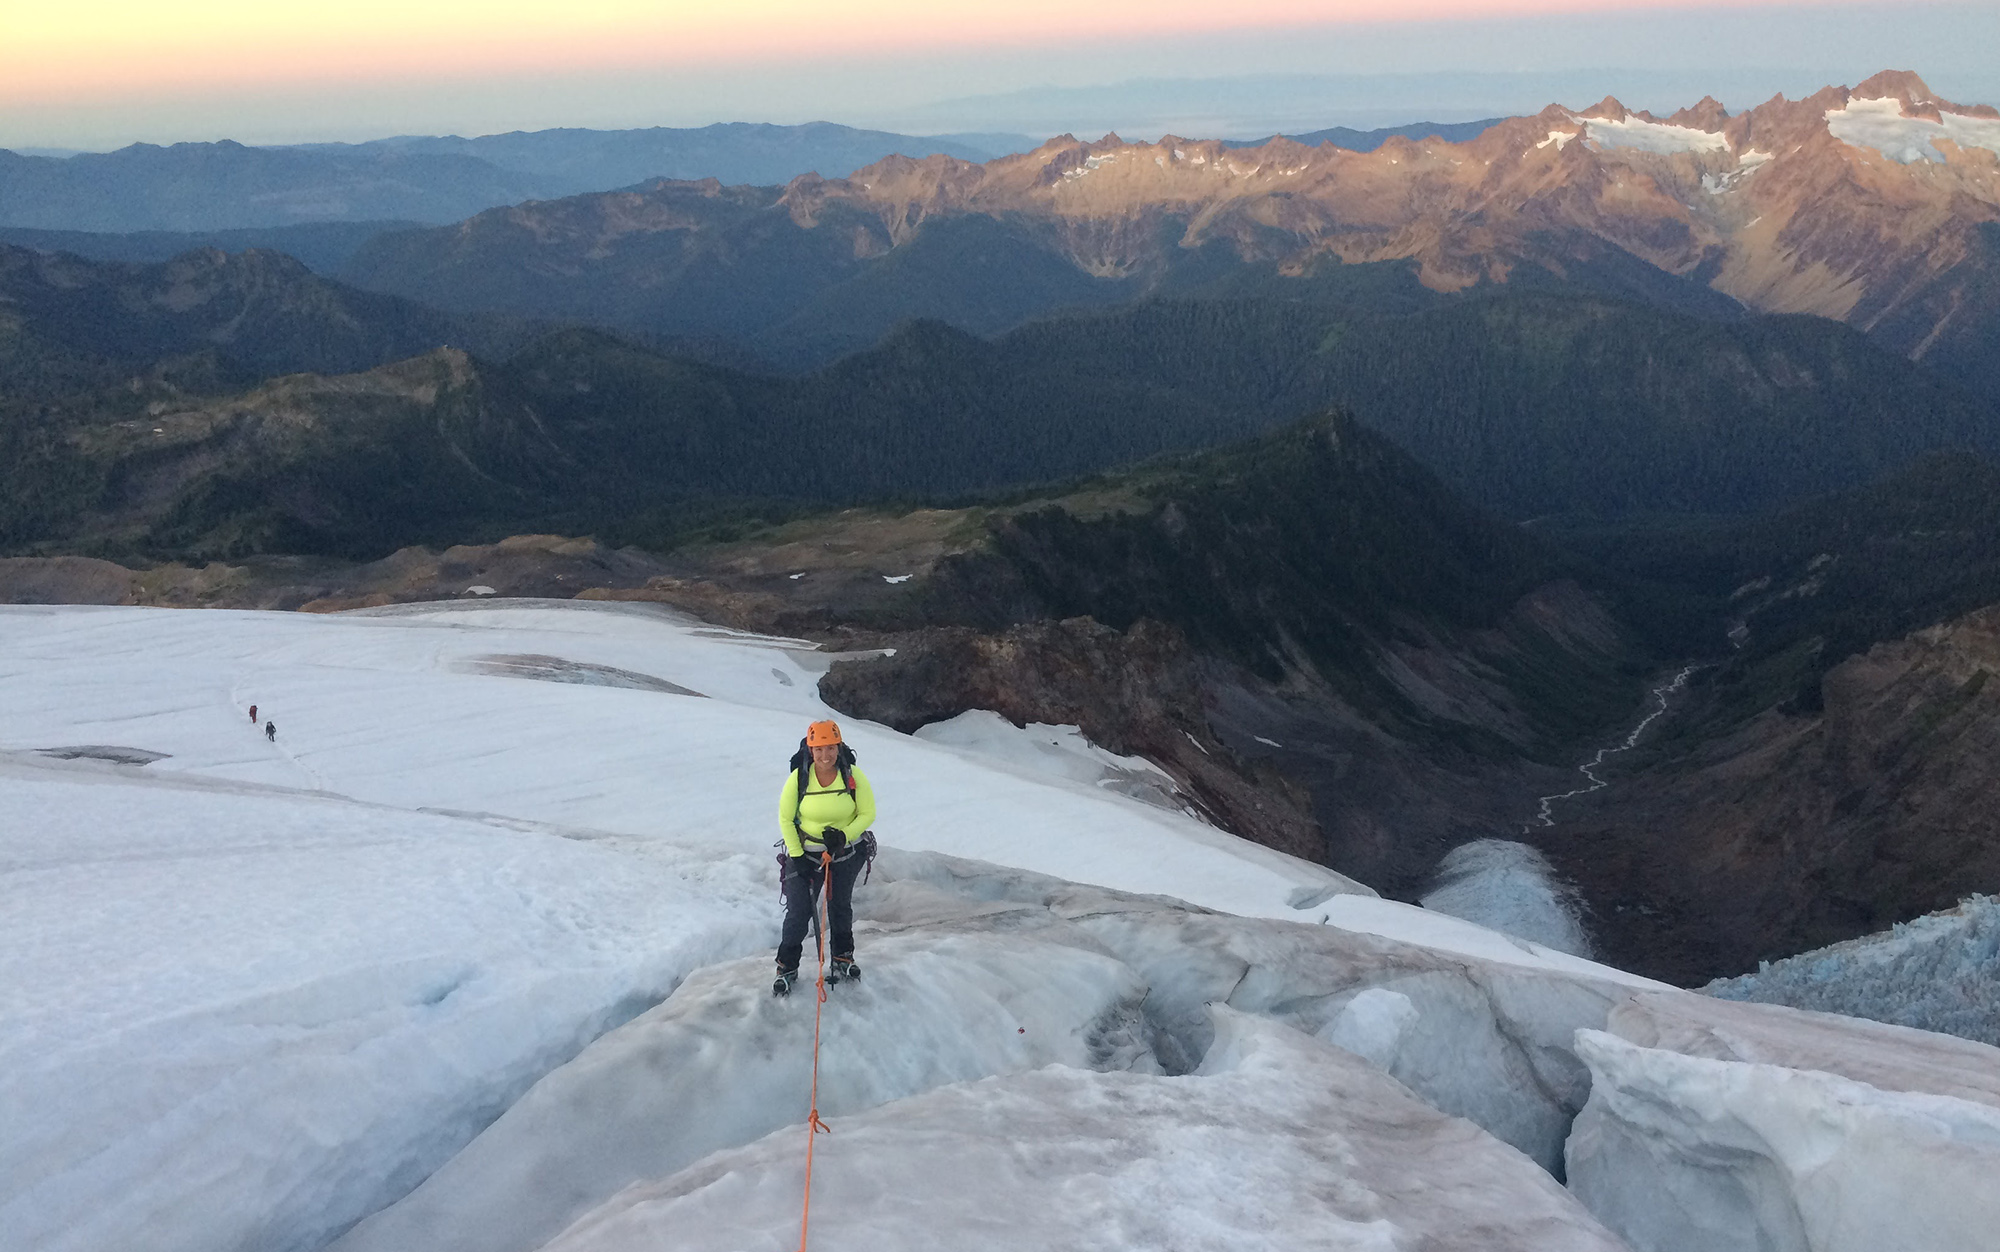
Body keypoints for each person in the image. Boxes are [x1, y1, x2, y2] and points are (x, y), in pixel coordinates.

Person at [774, 719, 875, 996]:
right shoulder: (799, 778)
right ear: (810, 750)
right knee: (799, 912)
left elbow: (868, 813)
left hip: (844, 854)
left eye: (830, 748)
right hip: (806, 854)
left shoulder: (852, 775)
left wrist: (843, 836)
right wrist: (798, 856)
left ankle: (843, 956)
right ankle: (786, 967)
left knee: (840, 906)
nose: (825, 755)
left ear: (838, 747)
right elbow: (785, 818)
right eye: (818, 749)